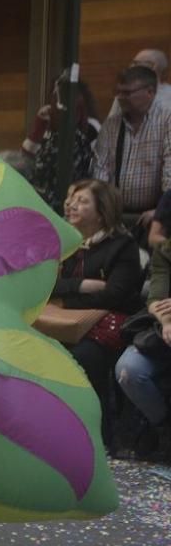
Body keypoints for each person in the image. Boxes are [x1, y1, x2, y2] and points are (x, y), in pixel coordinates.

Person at [52, 179, 143, 451]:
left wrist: (65, 298)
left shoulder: (122, 246)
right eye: (71, 200)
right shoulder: (64, 240)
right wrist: (81, 286)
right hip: (65, 323)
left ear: (101, 211)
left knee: (82, 360)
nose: (71, 206)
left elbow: (115, 295)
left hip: (106, 327)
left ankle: (98, 441)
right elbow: (45, 285)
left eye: (82, 201)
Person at [116, 188, 171, 459]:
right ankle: (163, 428)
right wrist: (166, 321)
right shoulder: (166, 250)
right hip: (165, 328)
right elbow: (157, 294)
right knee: (129, 369)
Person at [92, 65, 171, 229]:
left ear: (150, 92)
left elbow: (170, 172)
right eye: (118, 92)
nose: (120, 97)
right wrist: (101, 210)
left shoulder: (167, 120)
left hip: (155, 216)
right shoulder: (111, 126)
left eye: (127, 93)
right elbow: (100, 173)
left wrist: (161, 212)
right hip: (117, 215)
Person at [23, 72, 99, 211]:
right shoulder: (48, 125)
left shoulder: (88, 130)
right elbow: (27, 156)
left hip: (66, 200)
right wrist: (40, 125)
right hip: (41, 199)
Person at [107, 49, 171, 116]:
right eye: (133, 63)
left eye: (136, 63)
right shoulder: (122, 93)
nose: (132, 67)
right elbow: (113, 122)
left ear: (154, 67)